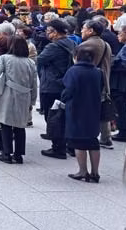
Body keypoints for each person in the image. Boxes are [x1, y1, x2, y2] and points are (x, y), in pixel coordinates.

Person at [0, 36, 38, 164]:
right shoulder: (30, 62)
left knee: (5, 123)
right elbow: (34, 83)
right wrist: (32, 101)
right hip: (25, 95)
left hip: (8, 93)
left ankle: (6, 153)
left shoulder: (5, 58)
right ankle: (18, 154)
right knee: (20, 126)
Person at [62, 42, 103, 182]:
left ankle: (83, 171)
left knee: (78, 141)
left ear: (76, 56)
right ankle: (95, 173)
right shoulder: (98, 72)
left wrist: (63, 98)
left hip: (76, 109)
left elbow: (68, 91)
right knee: (93, 140)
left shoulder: (73, 71)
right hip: (94, 109)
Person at [37, 18, 76, 159]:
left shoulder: (53, 47)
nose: (47, 34)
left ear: (55, 32)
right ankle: (66, 144)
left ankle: (57, 147)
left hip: (51, 85)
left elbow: (40, 59)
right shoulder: (71, 43)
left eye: (48, 31)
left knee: (52, 115)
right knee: (63, 114)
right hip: (65, 83)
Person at [80, 19, 114, 149]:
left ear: (91, 31)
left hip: (90, 83)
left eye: (84, 28)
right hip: (103, 81)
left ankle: (88, 136)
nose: (82, 30)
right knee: (102, 108)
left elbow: (78, 66)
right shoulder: (106, 44)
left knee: (89, 109)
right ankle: (106, 137)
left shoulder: (86, 46)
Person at [111, 25, 126, 142]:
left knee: (120, 106)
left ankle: (123, 131)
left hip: (123, 83)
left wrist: (113, 62)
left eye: (120, 33)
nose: (118, 36)